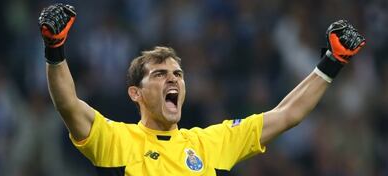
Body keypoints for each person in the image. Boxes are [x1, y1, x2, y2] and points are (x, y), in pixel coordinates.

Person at [38, 3, 365, 176]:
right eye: (160, 74)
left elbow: (286, 115)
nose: (173, 80)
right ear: (134, 93)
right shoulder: (116, 141)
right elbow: (68, 104)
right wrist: (55, 49)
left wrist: (331, 63)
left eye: (178, 74)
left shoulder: (210, 144)